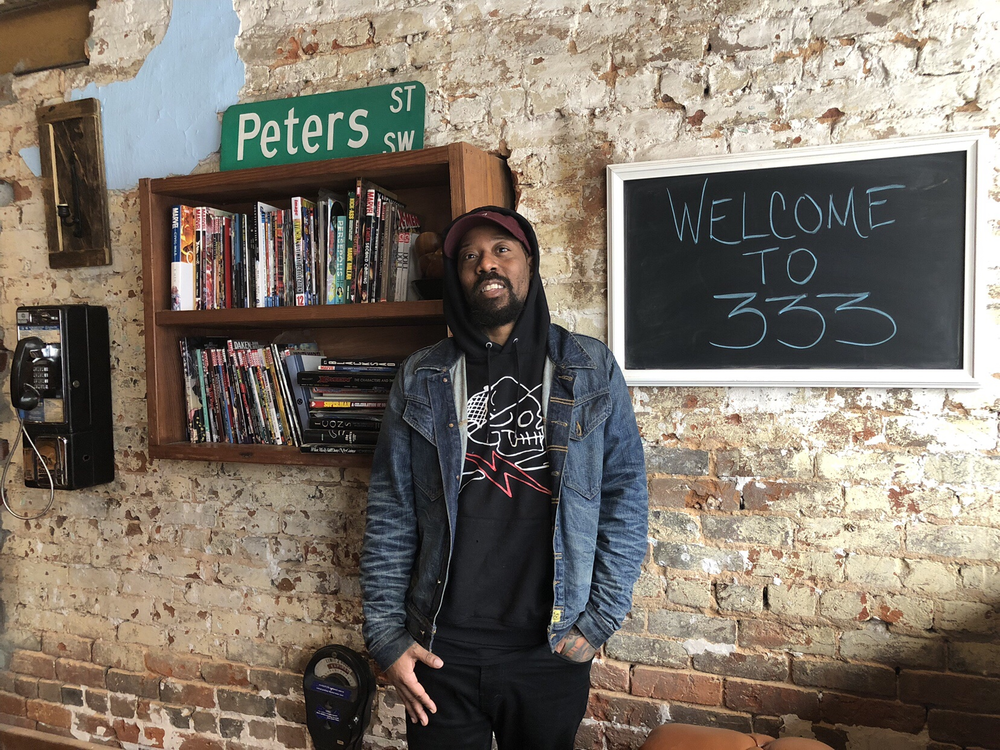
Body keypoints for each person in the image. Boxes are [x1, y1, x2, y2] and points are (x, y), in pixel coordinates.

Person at [360, 206, 648, 750]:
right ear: (457, 275)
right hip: (439, 650)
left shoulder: (589, 368)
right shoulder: (423, 375)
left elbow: (624, 502)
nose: (485, 264)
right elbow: (391, 510)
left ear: (529, 264)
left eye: (501, 250)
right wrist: (386, 638)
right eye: (470, 256)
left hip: (548, 650)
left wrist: (597, 625)